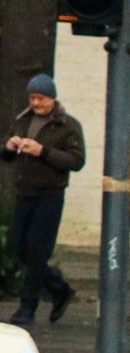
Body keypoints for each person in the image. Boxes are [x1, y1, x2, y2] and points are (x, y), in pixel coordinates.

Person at [2, 74, 84, 326]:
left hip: (49, 195)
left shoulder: (67, 125)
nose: (36, 103)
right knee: (18, 246)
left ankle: (28, 306)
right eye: (33, 98)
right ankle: (59, 289)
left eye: (41, 98)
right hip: (24, 193)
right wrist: (9, 146)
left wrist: (43, 152)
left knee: (37, 250)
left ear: (52, 98)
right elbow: (5, 154)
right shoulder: (23, 121)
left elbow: (76, 161)